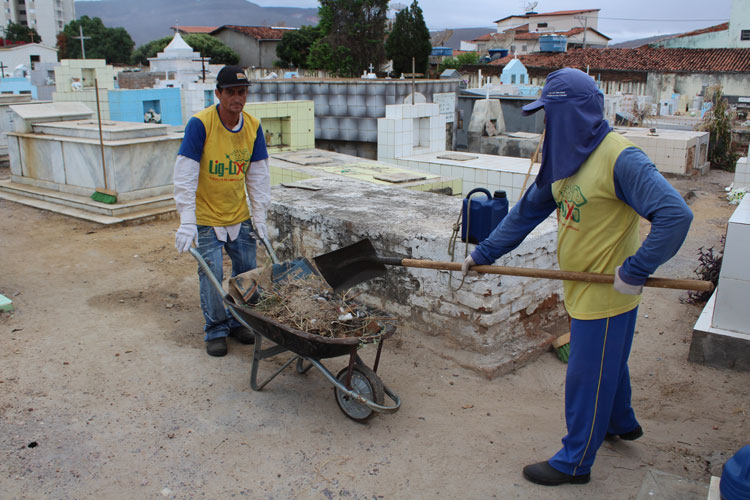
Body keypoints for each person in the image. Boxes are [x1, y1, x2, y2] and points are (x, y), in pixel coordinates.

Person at [462, 67, 693, 486]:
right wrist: (483, 253)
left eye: (549, 115)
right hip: (582, 289)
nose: (545, 124)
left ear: (571, 115)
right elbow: (526, 213)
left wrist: (637, 269)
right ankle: (621, 423)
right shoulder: (565, 159)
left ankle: (574, 462)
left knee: (586, 376)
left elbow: (675, 215)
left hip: (609, 293)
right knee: (609, 363)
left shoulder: (620, 158)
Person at [173, 65, 271, 357]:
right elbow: (186, 174)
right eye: (230, 92)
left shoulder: (252, 126)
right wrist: (187, 221)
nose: (237, 98)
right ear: (218, 94)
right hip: (205, 217)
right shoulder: (200, 124)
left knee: (246, 273)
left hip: (238, 215)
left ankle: (239, 321)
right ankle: (215, 329)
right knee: (212, 273)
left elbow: (258, 175)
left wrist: (260, 216)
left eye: (242, 92)